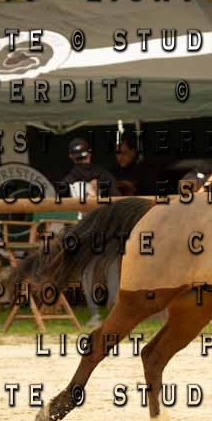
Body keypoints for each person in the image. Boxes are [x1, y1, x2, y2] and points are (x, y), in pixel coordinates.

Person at [61, 138, 121, 328]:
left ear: (71, 157)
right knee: (112, 267)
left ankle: (95, 315)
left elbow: (63, 210)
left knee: (87, 271)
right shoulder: (104, 175)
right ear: (90, 154)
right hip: (106, 227)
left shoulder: (67, 181)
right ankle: (114, 311)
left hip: (83, 228)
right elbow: (119, 201)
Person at [112, 131, 145, 196]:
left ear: (132, 152)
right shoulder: (111, 172)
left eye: (124, 153)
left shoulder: (142, 172)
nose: (120, 157)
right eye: (117, 153)